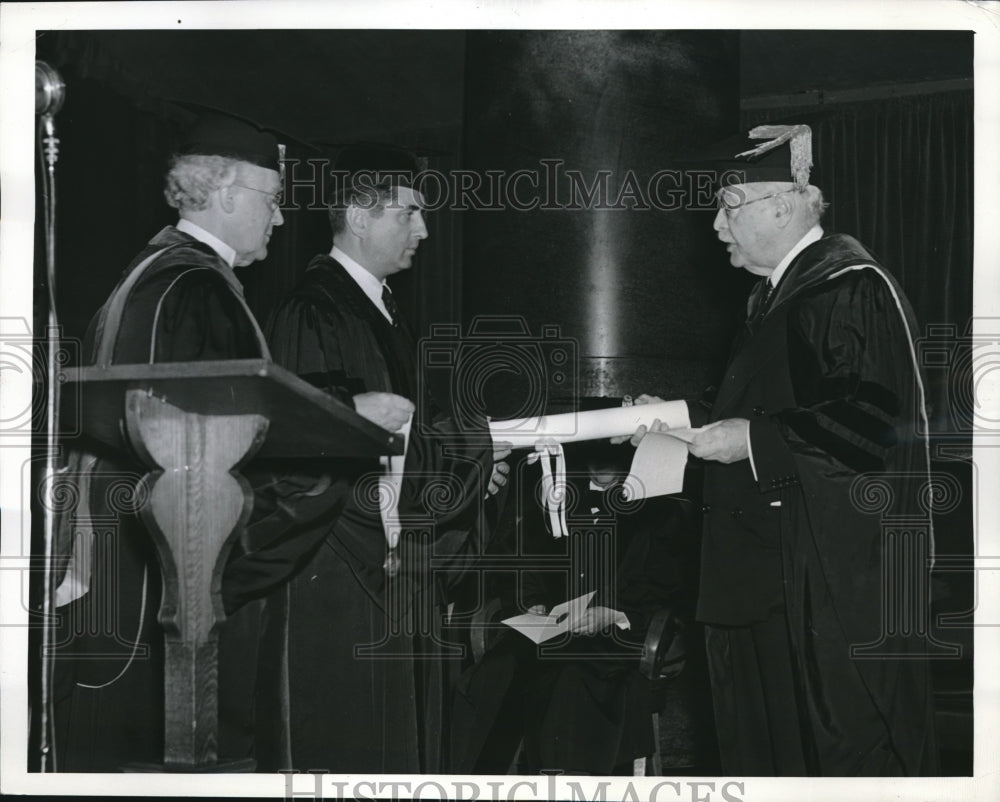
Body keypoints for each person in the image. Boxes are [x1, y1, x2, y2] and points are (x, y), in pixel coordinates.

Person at [45, 114, 412, 771]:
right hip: (162, 580)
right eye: (271, 202)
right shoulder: (194, 288)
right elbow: (201, 446)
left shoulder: (154, 272)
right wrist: (343, 422)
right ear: (226, 194)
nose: (277, 220)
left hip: (125, 560)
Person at [623, 124, 937, 775]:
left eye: (729, 206)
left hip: (816, 592)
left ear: (785, 205)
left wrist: (752, 440)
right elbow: (760, 417)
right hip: (759, 585)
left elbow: (874, 426)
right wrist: (671, 423)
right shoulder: (771, 300)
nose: (715, 226)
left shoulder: (848, 288)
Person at [263, 143, 510, 773]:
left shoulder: (380, 308)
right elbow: (306, 440)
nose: (423, 230)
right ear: (361, 216)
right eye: (409, 214)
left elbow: (404, 433)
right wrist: (462, 461)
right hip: (348, 572)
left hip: (393, 564)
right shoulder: (313, 308)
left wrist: (469, 471)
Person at [449, 437, 695, 775]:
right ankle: (472, 785)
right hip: (551, 633)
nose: (603, 461)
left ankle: (572, 785)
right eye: (595, 451)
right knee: (492, 672)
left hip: (615, 638)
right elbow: (523, 566)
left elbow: (669, 588)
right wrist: (532, 603)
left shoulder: (655, 507)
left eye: (613, 451)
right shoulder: (555, 496)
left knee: (572, 678)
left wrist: (614, 614)